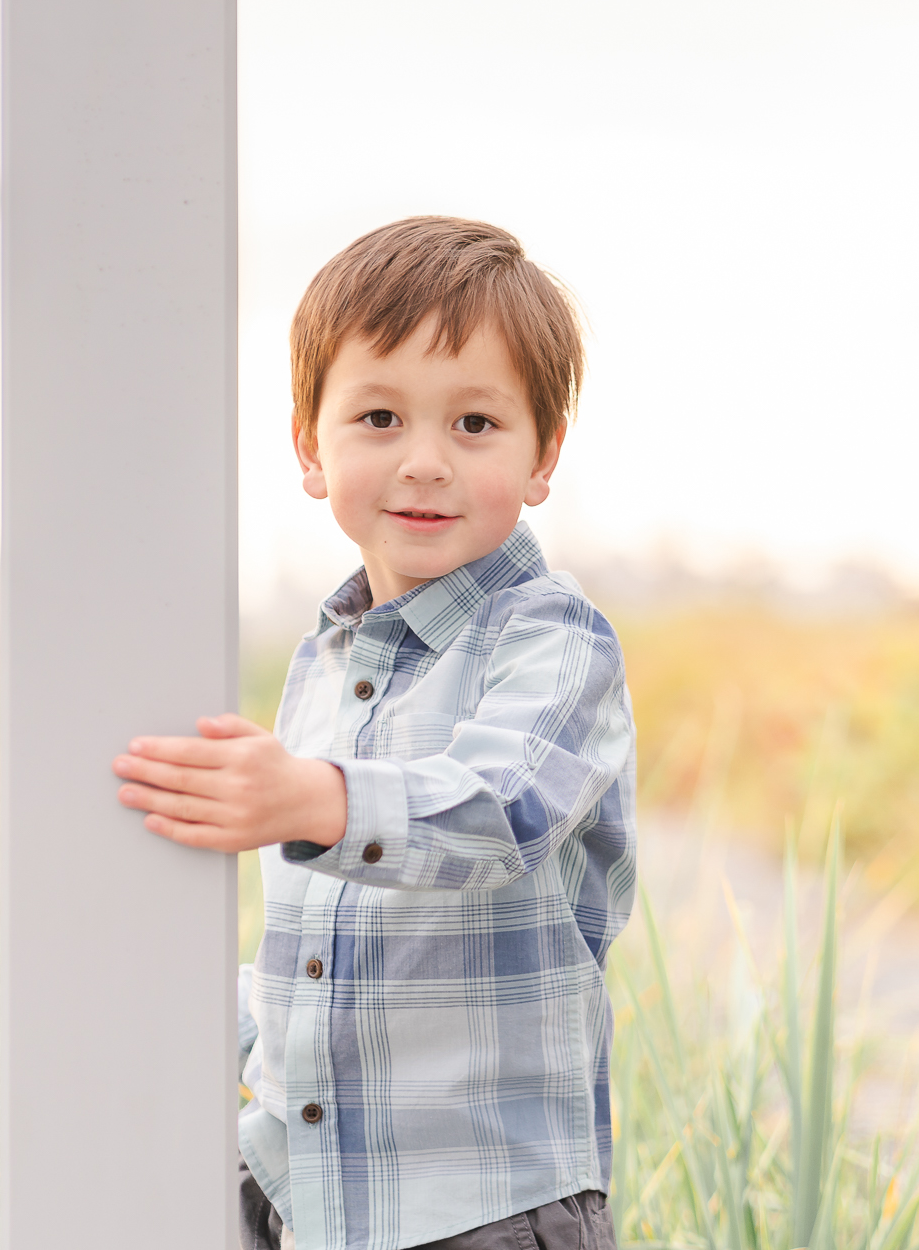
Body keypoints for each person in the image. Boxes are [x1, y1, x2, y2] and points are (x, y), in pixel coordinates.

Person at [112, 217, 636, 1250]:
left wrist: (313, 799)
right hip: (302, 1189)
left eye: (475, 424)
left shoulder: (554, 639)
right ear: (312, 447)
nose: (425, 462)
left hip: (482, 1203)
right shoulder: (326, 663)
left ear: (543, 455)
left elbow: (500, 808)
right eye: (380, 417)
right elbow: (316, 944)